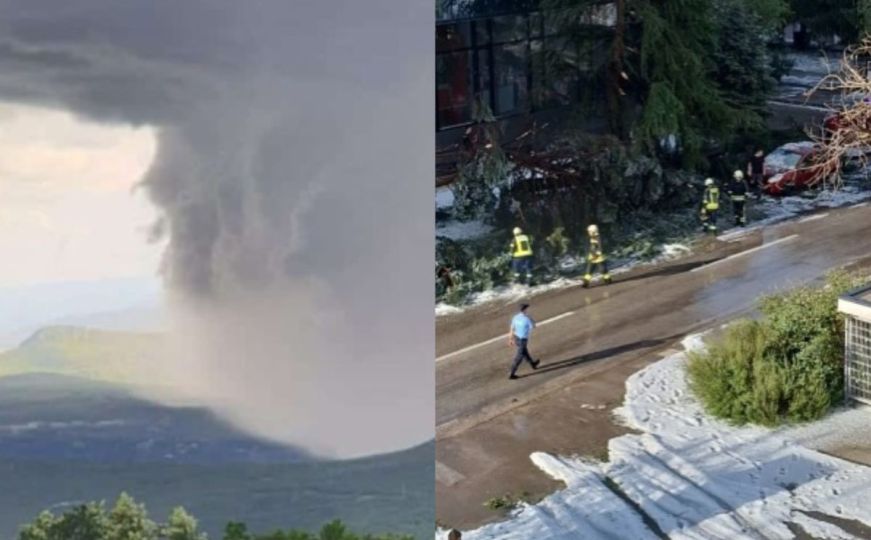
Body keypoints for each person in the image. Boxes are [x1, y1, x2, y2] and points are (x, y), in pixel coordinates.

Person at [508, 303, 539, 379]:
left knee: (525, 352)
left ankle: (533, 364)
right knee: (519, 357)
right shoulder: (527, 318)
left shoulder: (515, 317)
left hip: (516, 337)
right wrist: (530, 319)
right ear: (525, 309)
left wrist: (510, 339)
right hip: (523, 340)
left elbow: (512, 329)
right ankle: (511, 373)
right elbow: (533, 326)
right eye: (527, 308)